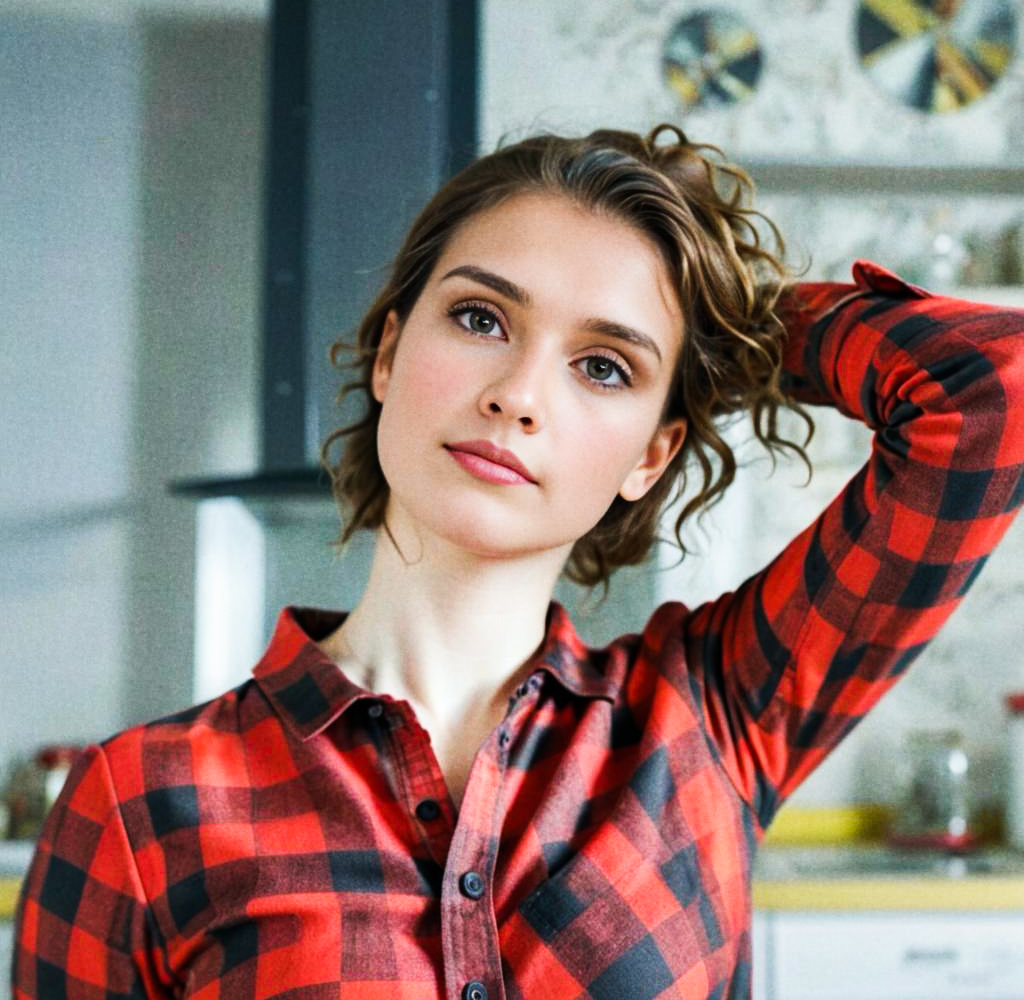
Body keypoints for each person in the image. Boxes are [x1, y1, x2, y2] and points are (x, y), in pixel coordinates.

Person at [12, 125, 1024, 999]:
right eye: (481, 318)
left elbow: (989, 389)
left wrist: (731, 330)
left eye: (604, 365)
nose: (518, 392)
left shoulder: (707, 719)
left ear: (652, 452)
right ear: (389, 352)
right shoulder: (141, 801)